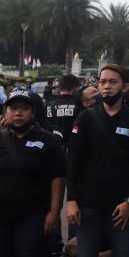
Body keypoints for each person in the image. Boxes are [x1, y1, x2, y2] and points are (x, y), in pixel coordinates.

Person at [66, 64, 129, 257]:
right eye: (102, 82)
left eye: (113, 82)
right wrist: (71, 200)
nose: (106, 86)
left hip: (121, 207)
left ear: (125, 87)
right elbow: (74, 160)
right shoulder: (85, 118)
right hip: (88, 204)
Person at [0, 90, 66, 257]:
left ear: (33, 113)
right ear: (5, 112)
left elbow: (58, 177)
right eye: (13, 108)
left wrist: (54, 212)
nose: (18, 113)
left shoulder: (48, 140)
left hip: (34, 216)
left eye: (24, 108)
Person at [46, 74, 82, 144]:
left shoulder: (48, 106)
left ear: (59, 88)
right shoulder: (80, 106)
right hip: (74, 148)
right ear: (76, 88)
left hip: (52, 148)